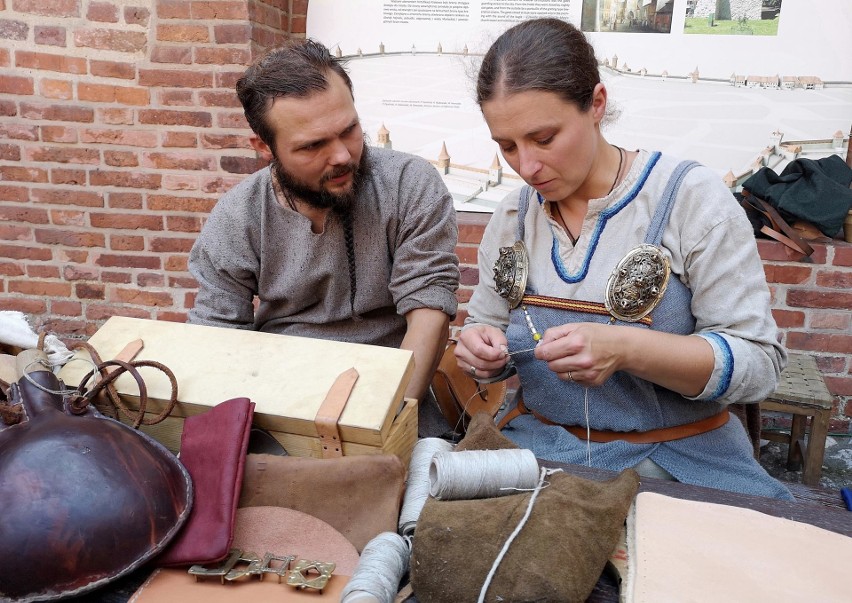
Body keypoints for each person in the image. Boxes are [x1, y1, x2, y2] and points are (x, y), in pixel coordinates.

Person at [455, 18, 792, 499]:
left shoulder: (688, 199)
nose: (526, 166)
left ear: (596, 104)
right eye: (506, 146)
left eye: (544, 138)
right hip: (540, 451)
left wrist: (628, 350)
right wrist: (481, 351)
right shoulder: (513, 215)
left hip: (676, 460)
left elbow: (759, 363)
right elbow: (485, 325)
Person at [188, 39, 460, 430]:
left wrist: (392, 423)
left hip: (396, 387)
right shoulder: (239, 215)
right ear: (264, 148)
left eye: (349, 130)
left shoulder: (408, 185)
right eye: (314, 145)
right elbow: (217, 335)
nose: (343, 156)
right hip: (278, 400)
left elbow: (429, 310)